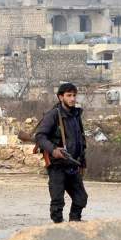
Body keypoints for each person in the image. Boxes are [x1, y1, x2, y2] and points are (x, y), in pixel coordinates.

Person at [35, 82, 88, 223]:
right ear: (60, 97)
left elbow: (81, 140)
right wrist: (53, 150)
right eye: (69, 95)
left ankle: (74, 224)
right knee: (57, 202)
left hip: (73, 165)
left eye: (74, 95)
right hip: (57, 165)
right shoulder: (53, 115)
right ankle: (58, 227)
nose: (72, 99)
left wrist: (82, 163)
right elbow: (40, 136)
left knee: (81, 198)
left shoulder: (76, 115)